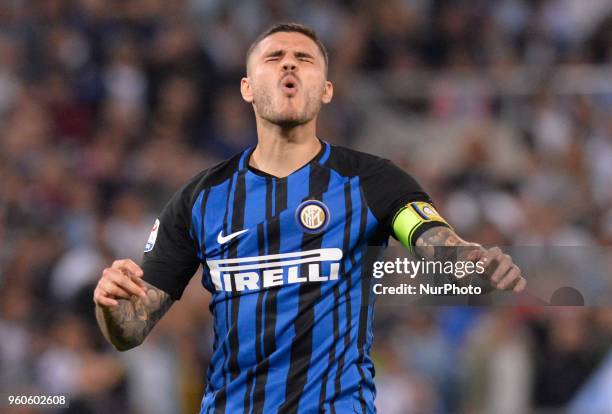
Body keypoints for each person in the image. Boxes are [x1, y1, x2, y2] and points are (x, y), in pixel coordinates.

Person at [93, 23, 526, 413]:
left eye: (304, 59)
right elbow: (130, 329)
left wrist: (467, 258)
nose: (289, 66)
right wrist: (111, 305)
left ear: (326, 89)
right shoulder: (199, 200)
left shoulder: (372, 181)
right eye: (274, 57)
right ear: (246, 87)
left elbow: (431, 236)